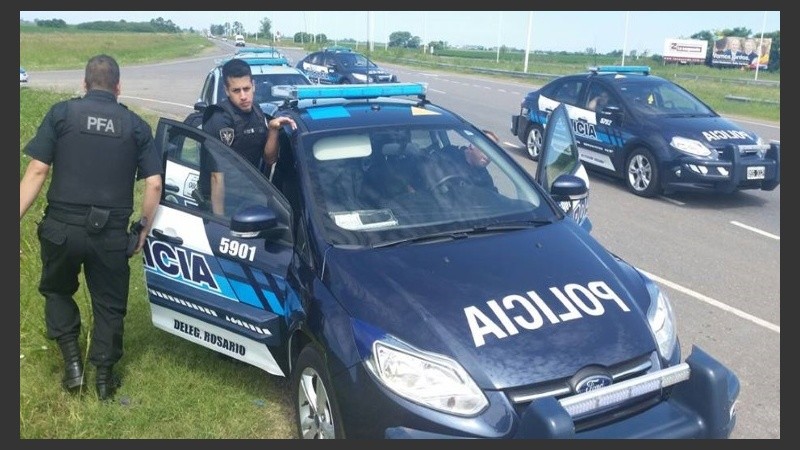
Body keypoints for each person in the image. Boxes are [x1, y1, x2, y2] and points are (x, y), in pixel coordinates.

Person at [19, 54, 163, 400]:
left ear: (84, 84)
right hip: (111, 234)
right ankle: (104, 380)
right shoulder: (136, 126)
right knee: (110, 304)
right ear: (118, 87)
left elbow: (37, 170)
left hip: (61, 229)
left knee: (57, 291)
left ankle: (73, 365)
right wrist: (143, 229)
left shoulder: (62, 114)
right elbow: (154, 184)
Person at [200, 58, 296, 215]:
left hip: (251, 195)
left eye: (246, 88)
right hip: (224, 200)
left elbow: (269, 159)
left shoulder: (257, 113)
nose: (243, 96)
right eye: (236, 91)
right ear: (226, 91)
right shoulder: (219, 120)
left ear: (253, 86)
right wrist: (219, 221)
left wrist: (273, 130)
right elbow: (216, 176)